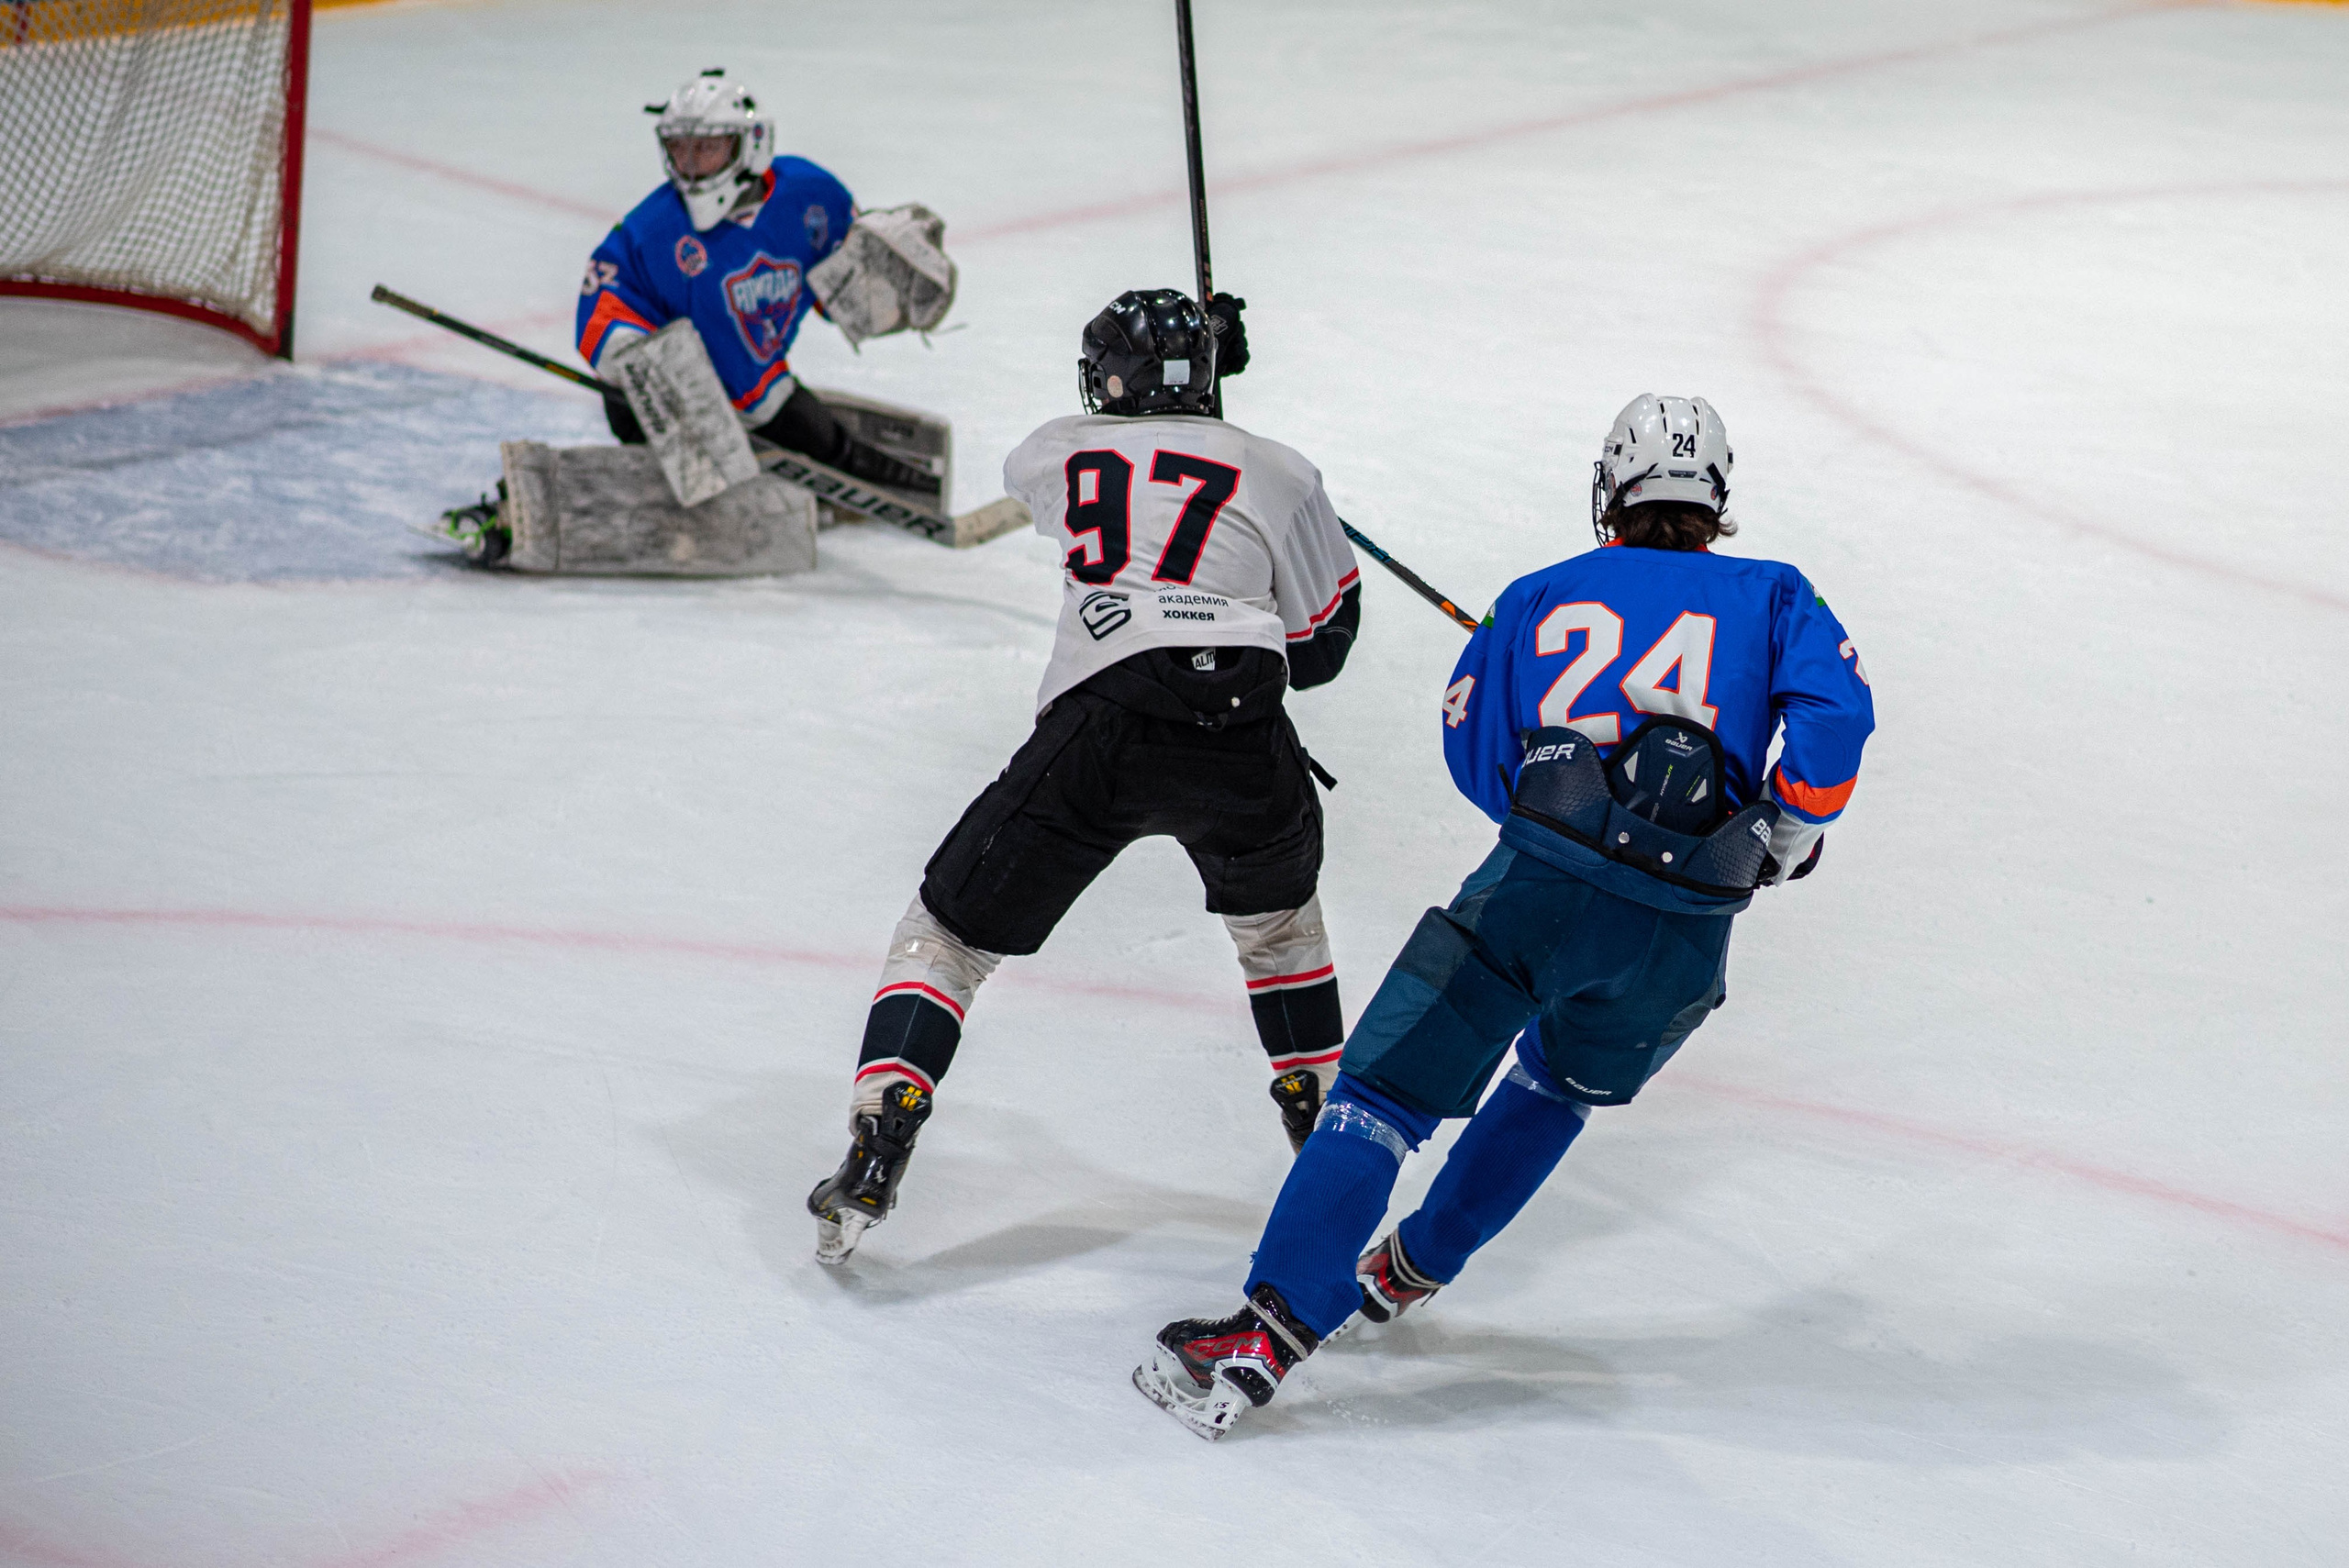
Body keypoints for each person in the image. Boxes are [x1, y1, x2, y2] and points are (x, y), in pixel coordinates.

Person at [1135, 394, 1876, 1439]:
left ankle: (1270, 1330)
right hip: (1684, 934)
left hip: (1540, 889)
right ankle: (1410, 1267)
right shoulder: (1776, 594)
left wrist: (1554, 811)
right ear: (1716, 497)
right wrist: (1783, 835)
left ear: (1609, 486)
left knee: (1381, 1096)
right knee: (1555, 1086)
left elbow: (1474, 752)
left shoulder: (1539, 597)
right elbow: (1837, 719)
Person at [806, 288, 1363, 1265]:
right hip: (1243, 726)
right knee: (1280, 938)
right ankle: (1332, 1172)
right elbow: (1321, 649)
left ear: (1106, 382)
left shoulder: (1054, 448)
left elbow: (1122, 469)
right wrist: (1220, 422)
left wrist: (1192, 405)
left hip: (1103, 720)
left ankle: (878, 1134)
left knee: (945, 936)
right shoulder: (1282, 470)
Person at [440, 70, 937, 561]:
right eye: (681, 148)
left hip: (757, 380)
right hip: (656, 396)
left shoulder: (812, 196)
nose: (692, 164)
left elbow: (838, 286)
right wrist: (625, 352)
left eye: (708, 147)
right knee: (701, 464)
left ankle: (877, 478)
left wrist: (886, 293)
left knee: (808, 436)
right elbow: (604, 302)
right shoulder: (653, 230)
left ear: (751, 145)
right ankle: (529, 510)